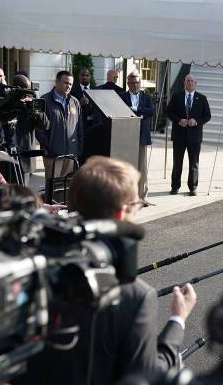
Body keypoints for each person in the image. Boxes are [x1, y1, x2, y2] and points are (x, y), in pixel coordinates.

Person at [22, 156, 197, 385]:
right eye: (137, 205)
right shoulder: (135, 295)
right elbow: (145, 375)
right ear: (121, 214)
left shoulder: (28, 270)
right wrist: (177, 321)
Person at [166, 74, 211, 196]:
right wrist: (178, 120)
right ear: (184, 83)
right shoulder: (176, 97)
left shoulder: (202, 98)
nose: (190, 83)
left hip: (194, 137)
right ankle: (175, 187)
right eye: (188, 81)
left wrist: (196, 121)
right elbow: (168, 112)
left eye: (192, 81)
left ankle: (193, 187)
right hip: (179, 136)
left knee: (194, 163)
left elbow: (207, 115)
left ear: (196, 83)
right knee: (177, 162)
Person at [36, 70, 83, 181]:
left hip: (71, 155)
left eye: (71, 84)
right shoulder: (44, 100)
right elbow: (38, 129)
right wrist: (49, 147)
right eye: (65, 83)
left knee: (66, 188)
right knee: (53, 188)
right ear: (56, 82)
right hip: (53, 155)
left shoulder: (75, 102)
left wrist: (78, 149)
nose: (68, 86)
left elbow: (79, 128)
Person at [121, 71, 154, 199]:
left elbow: (151, 111)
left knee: (142, 167)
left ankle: (142, 195)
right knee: (127, 166)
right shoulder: (122, 97)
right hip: (126, 136)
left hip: (142, 136)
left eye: (137, 82)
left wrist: (135, 109)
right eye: (132, 82)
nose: (135, 85)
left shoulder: (146, 97)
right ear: (128, 83)